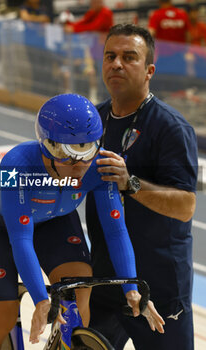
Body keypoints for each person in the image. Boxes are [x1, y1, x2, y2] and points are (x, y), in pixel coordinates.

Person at [0, 93, 164, 350]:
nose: (79, 165)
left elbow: (116, 231)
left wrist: (132, 291)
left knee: (79, 297)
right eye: (68, 155)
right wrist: (40, 300)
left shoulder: (103, 165)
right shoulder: (16, 166)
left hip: (53, 221)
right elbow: (20, 238)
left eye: (87, 150)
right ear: (48, 146)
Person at [86, 24, 198, 350]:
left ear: (149, 70)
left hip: (159, 287)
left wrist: (129, 182)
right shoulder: (92, 120)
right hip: (106, 281)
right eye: (110, 56)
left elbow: (186, 205)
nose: (116, 64)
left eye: (128, 57)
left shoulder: (172, 128)